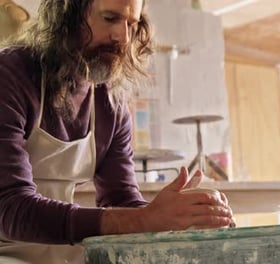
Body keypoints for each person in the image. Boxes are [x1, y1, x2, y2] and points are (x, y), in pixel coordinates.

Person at [0, 0, 234, 263]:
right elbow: (11, 210)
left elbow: (122, 200)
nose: (122, 37)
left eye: (131, 24)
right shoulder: (10, 75)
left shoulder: (110, 102)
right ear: (67, 16)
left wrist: (180, 220)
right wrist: (145, 219)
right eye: (110, 18)